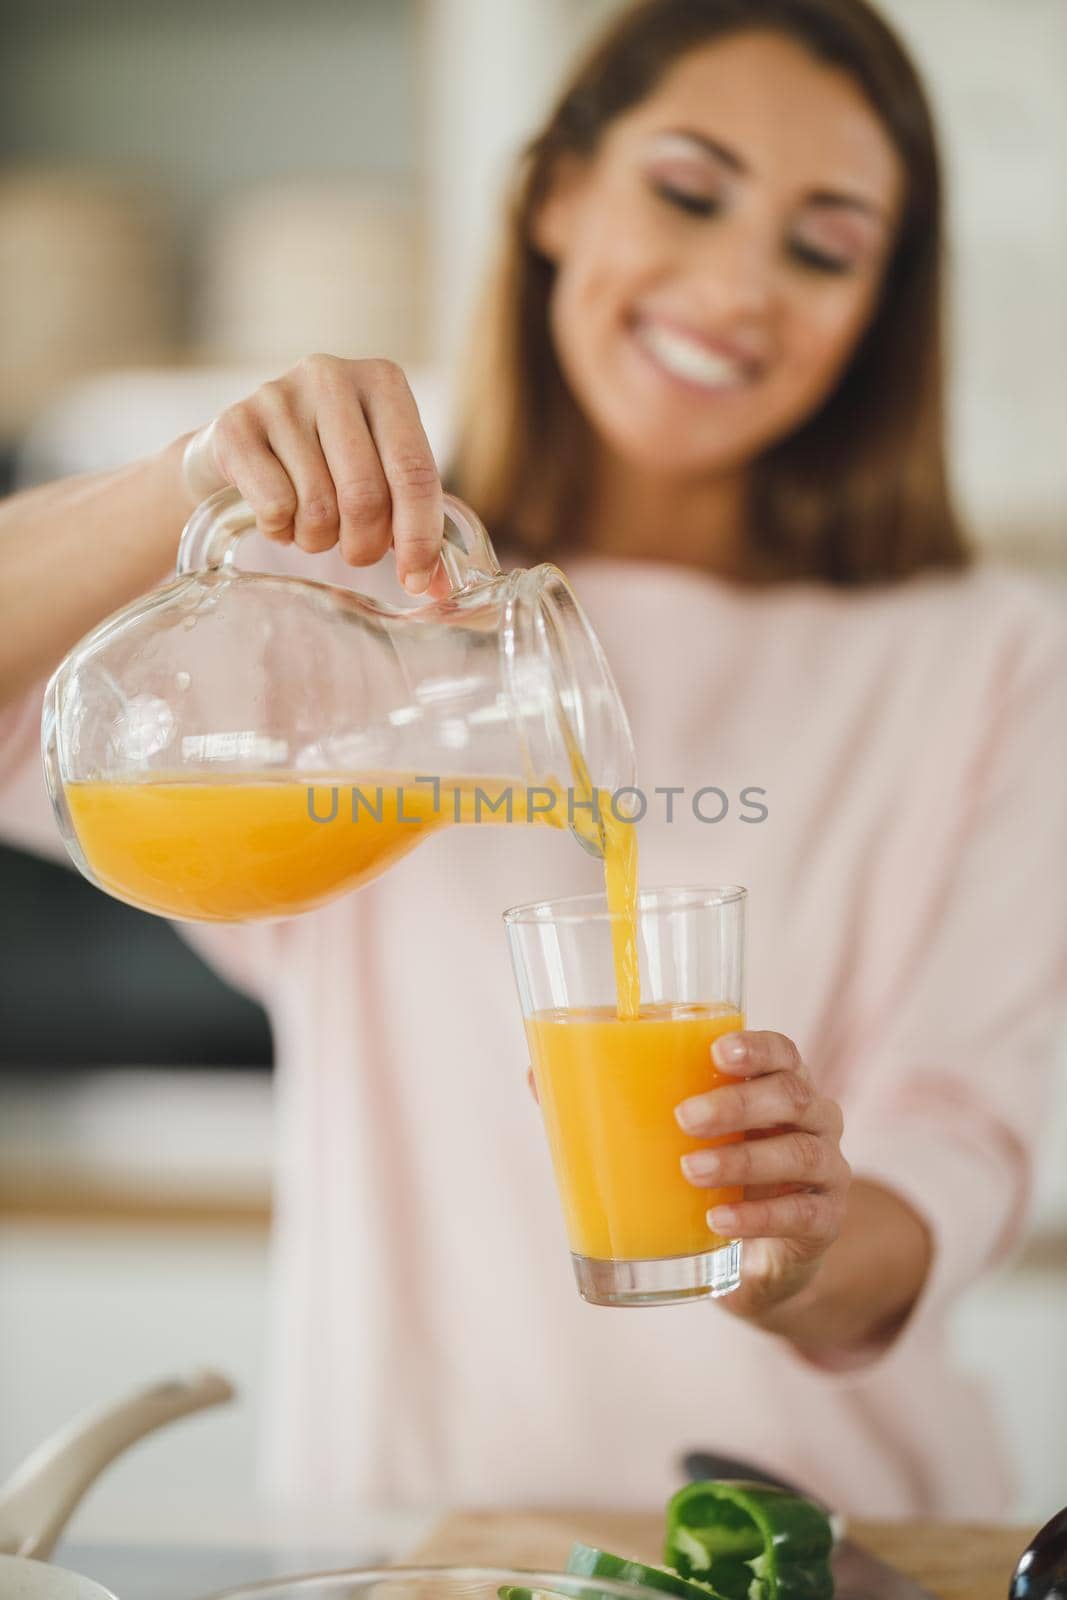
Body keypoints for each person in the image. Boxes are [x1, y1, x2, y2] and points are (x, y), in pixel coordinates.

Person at [1, 0, 1064, 1519]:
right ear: (558, 193)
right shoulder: (355, 600)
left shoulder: (986, 653)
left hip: (830, 1545)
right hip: (422, 1542)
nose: (737, 287)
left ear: (879, 306)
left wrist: (806, 1248)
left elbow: (960, 1143)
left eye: (822, 247)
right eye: (688, 194)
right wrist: (188, 483)